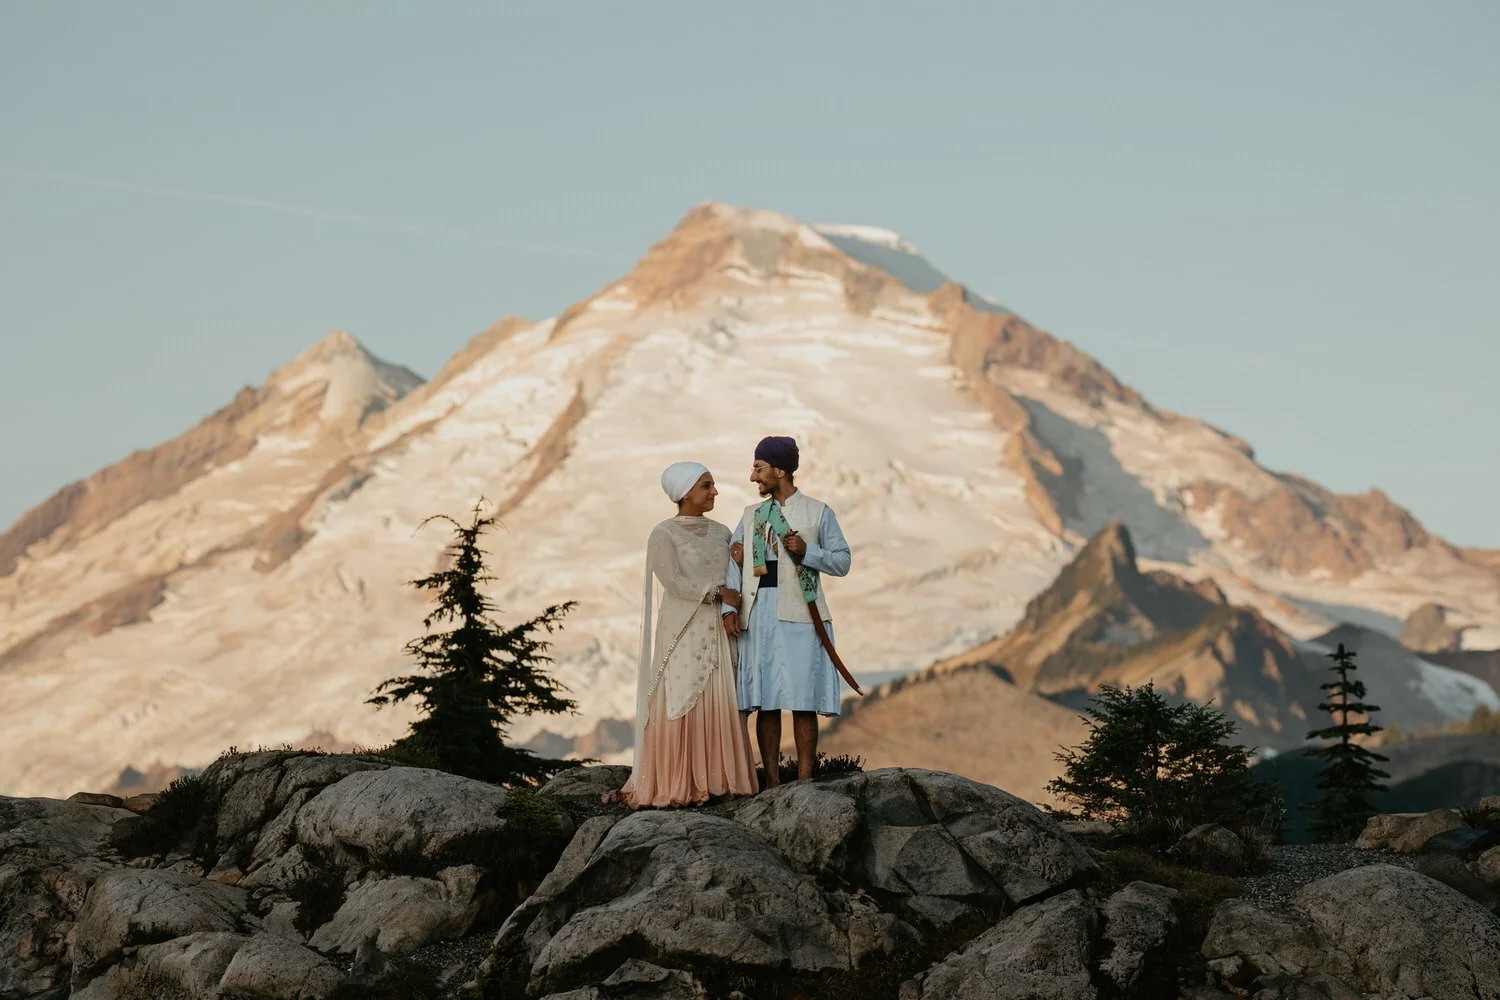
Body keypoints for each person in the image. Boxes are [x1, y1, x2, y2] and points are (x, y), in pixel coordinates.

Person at [614, 461, 759, 808]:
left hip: (719, 631)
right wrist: (717, 592)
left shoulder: (723, 532)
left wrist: (739, 562)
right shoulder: (663, 534)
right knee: (682, 693)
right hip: (683, 628)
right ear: (685, 492)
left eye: (712, 485)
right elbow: (673, 582)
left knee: (719, 694)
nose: (714, 492)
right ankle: (679, 780)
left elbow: (736, 579)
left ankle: (721, 778)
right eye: (707, 486)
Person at [722, 436, 854, 786]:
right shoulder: (750, 516)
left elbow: (842, 561)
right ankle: (773, 783)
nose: (753, 477)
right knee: (765, 701)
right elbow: (733, 564)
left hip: (800, 615)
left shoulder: (818, 512)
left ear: (779, 470)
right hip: (757, 614)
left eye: (759, 468)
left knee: (802, 697)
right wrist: (727, 610)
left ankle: (807, 779)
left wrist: (809, 551)